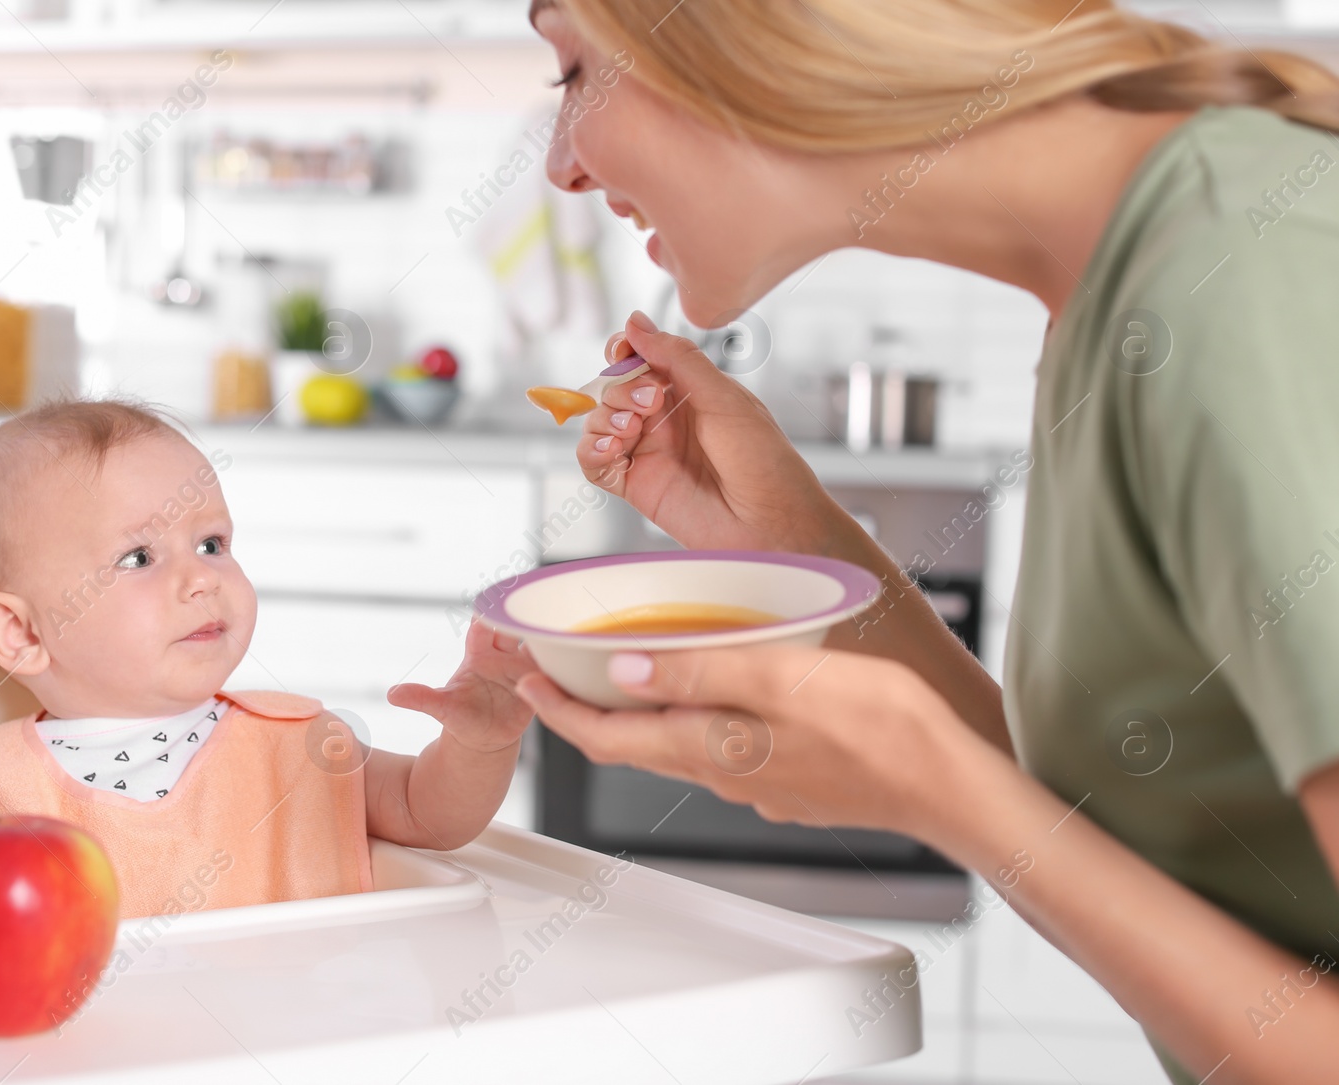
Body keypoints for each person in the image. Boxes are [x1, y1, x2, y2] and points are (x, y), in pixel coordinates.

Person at [516, 1, 1339, 1082]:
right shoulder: (1119, 282)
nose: (559, 166)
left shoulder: (1247, 269)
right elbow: (1135, 861)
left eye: (573, 72)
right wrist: (802, 547)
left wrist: (942, 791)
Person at [0, 400, 535, 930]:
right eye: (138, 557)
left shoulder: (297, 744)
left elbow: (430, 813)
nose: (202, 578)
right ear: (19, 633)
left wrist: (482, 739)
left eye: (213, 543)